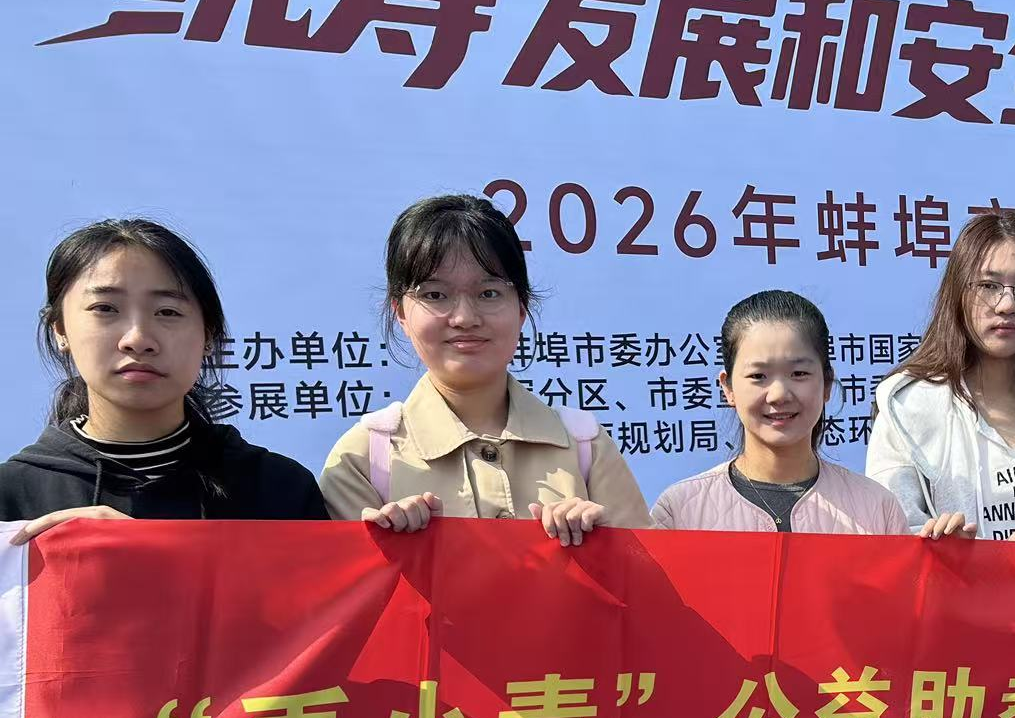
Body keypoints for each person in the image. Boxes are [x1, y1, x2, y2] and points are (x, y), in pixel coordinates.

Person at [320, 194, 647, 544]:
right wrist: (392, 553)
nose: (464, 318)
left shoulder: (586, 445)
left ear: (521, 307)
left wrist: (605, 545)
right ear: (400, 311)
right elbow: (346, 579)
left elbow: (649, 573)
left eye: (489, 293)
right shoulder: (363, 459)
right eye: (435, 295)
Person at [0, 218, 326, 541]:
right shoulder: (11, 495)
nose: (138, 339)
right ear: (60, 329)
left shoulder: (278, 489)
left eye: (167, 312)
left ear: (208, 335)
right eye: (105, 308)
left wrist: (152, 554)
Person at [865, 209, 1015, 556]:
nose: (1007, 305)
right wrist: (990, 558)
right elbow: (891, 539)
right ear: (958, 293)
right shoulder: (907, 407)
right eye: (988, 286)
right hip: (956, 593)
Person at [651, 290, 907, 534]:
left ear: (827, 384)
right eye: (758, 376)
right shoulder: (679, 511)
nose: (779, 395)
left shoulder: (877, 509)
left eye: (799, 373)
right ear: (728, 388)